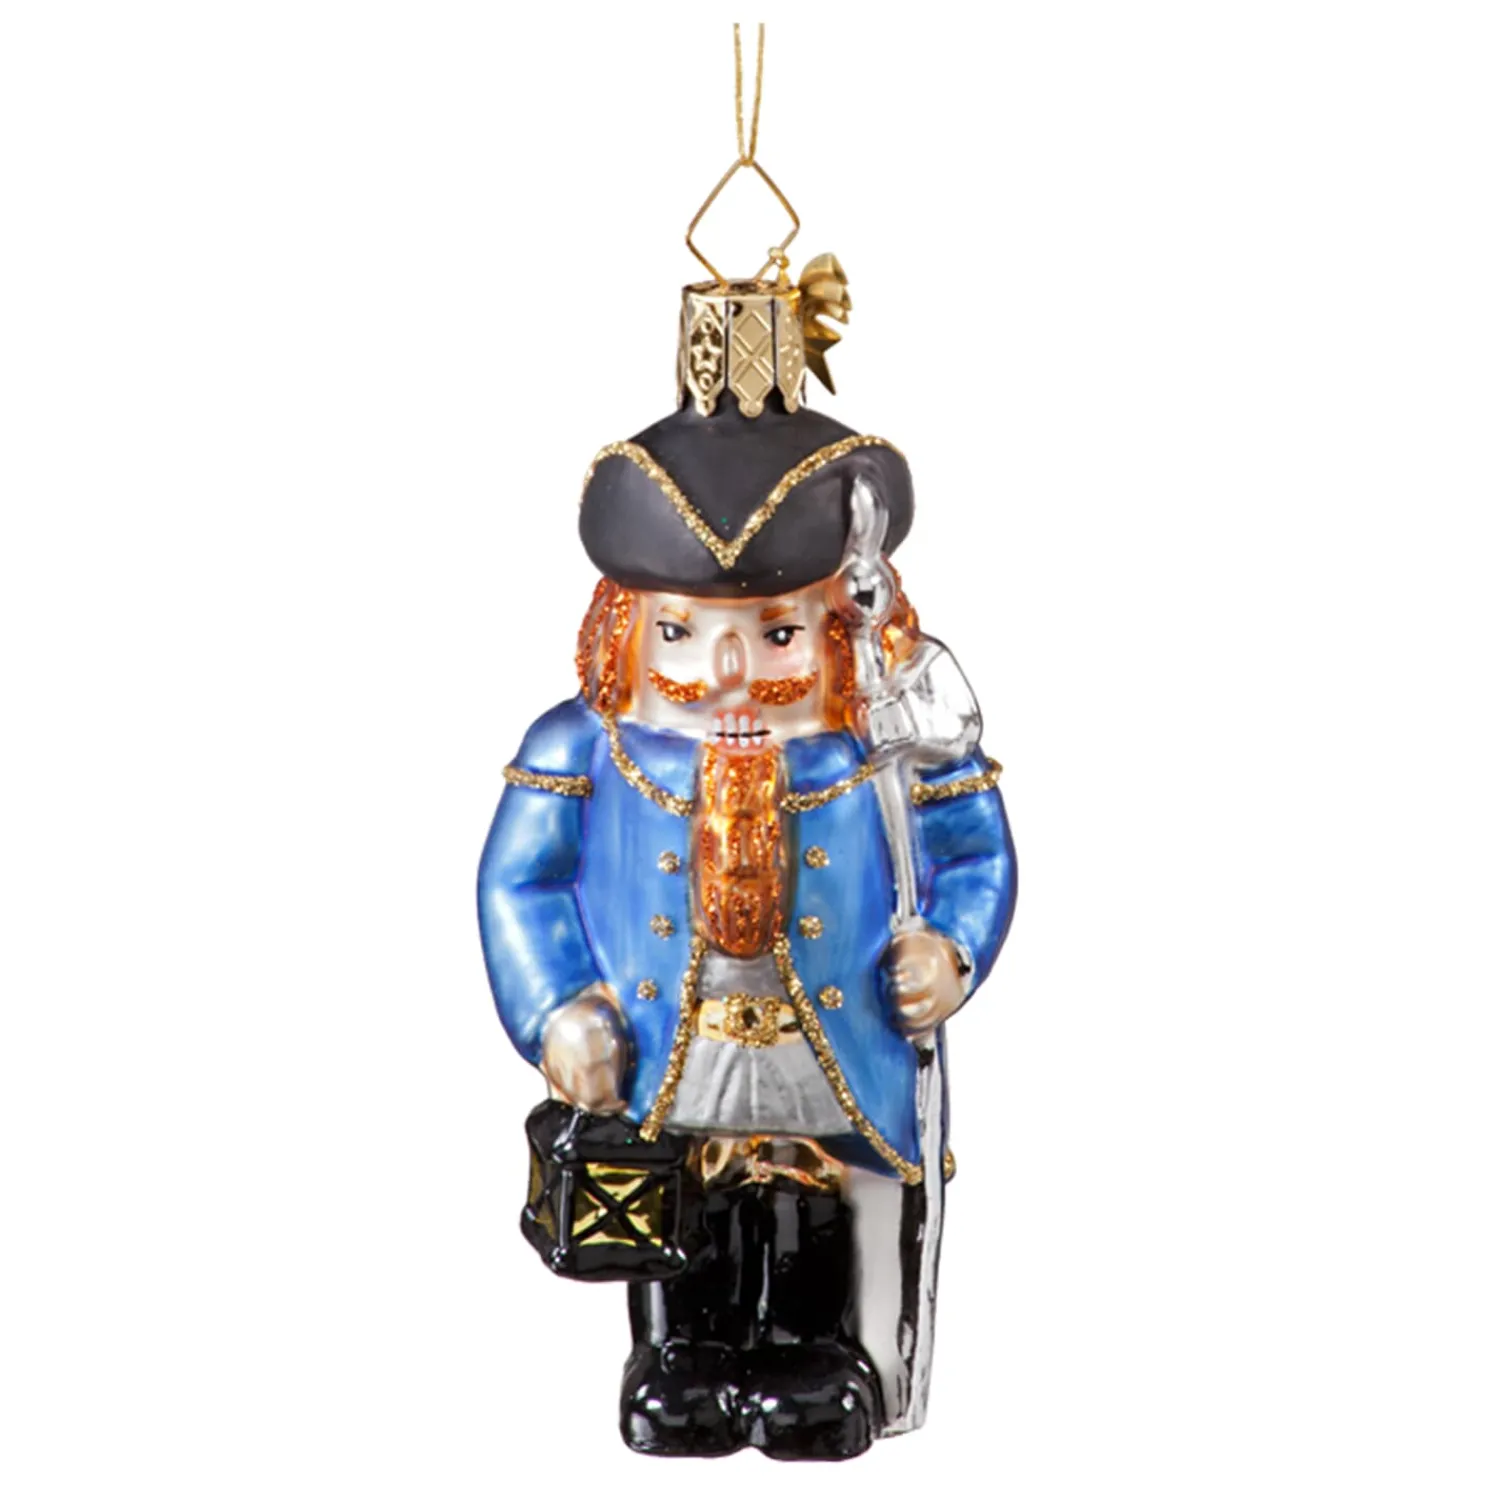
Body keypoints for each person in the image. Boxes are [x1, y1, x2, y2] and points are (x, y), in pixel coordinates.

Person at [478, 276, 1017, 1460]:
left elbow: (970, 846)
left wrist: (952, 947)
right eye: (684, 634)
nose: (730, 673)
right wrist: (557, 1008)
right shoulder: (584, 749)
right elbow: (521, 885)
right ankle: (680, 1354)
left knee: (808, 1201)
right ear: (626, 630)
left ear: (848, 628)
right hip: (669, 1050)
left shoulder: (890, 741)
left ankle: (819, 1358)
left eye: (776, 636)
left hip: (834, 1057)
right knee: (688, 1203)